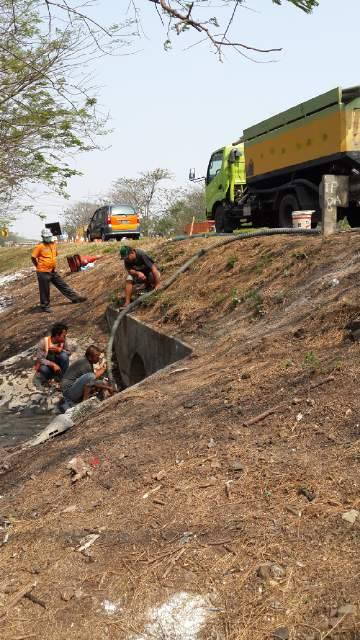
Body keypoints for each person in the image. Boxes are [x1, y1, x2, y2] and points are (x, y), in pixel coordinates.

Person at [31, 228, 87, 313]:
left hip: (52, 270)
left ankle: (75, 298)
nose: (48, 238)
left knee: (62, 285)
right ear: (42, 237)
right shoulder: (39, 246)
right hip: (43, 272)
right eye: (46, 237)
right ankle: (45, 306)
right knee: (44, 290)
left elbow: (54, 254)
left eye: (49, 236)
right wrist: (37, 266)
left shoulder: (53, 244)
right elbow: (33, 257)